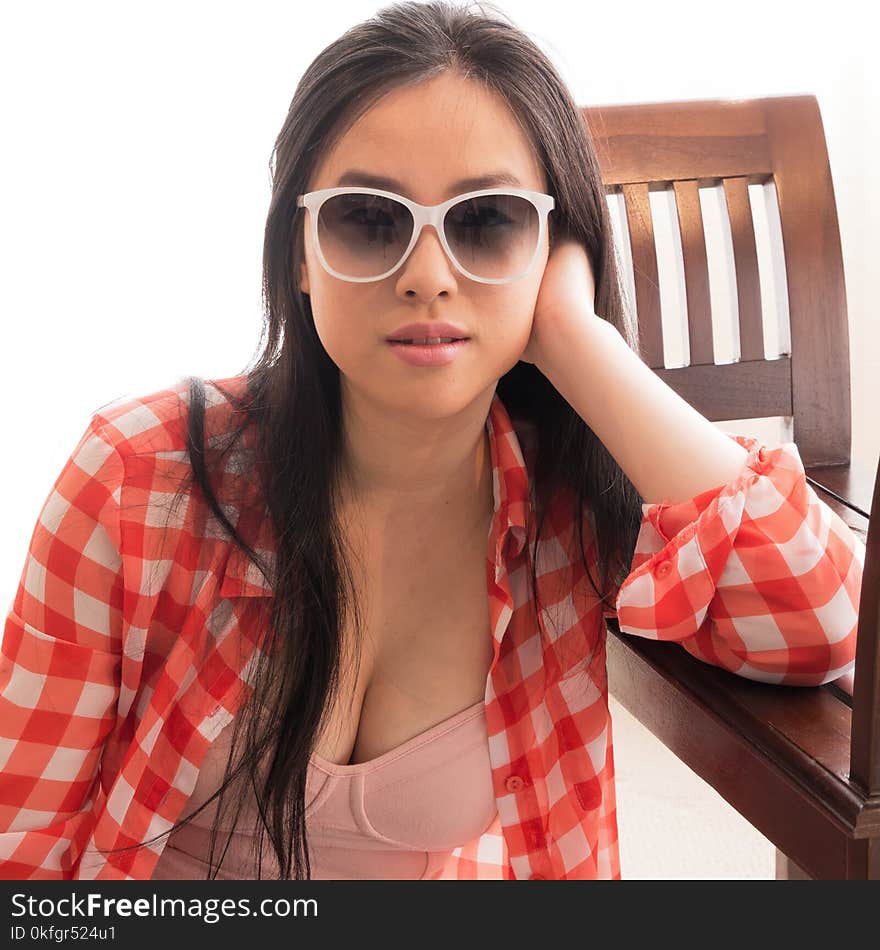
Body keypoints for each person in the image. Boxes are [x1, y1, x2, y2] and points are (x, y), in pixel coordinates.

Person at [0, 0, 864, 881]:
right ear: (297, 253)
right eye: (368, 218)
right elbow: (21, 849)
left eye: (487, 221)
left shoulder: (569, 505)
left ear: (553, 248)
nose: (425, 276)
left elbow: (824, 624)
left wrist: (575, 336)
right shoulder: (137, 477)